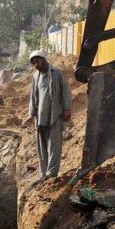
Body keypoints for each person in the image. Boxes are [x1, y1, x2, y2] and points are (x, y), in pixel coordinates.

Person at [23, 50, 71, 179]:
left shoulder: (57, 73)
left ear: (44, 59)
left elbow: (66, 91)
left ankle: (52, 173)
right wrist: (31, 113)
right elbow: (33, 96)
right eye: (34, 63)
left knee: (54, 145)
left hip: (55, 115)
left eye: (37, 61)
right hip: (40, 117)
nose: (36, 65)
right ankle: (43, 173)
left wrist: (67, 109)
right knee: (42, 147)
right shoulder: (35, 77)